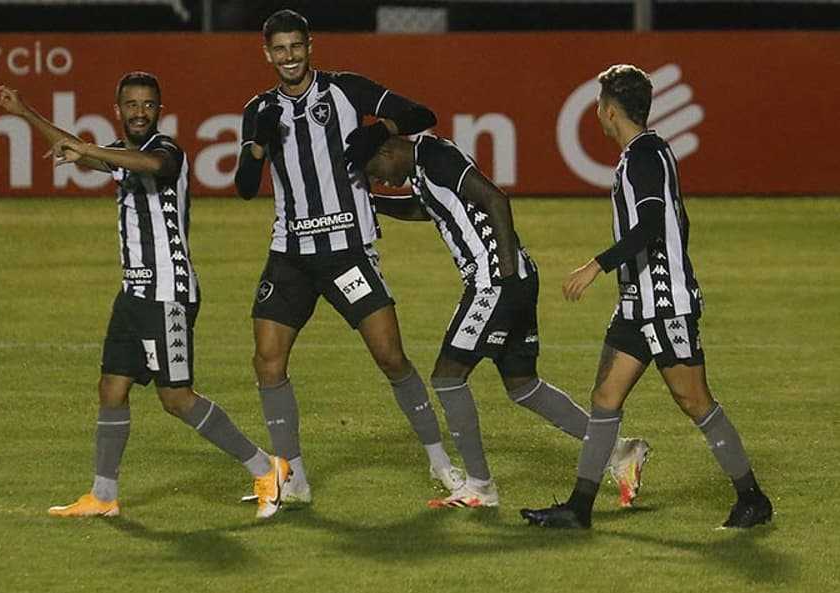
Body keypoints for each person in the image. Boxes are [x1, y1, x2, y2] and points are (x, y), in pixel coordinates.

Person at [0, 72, 290, 520]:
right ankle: (104, 495)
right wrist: (27, 114)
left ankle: (266, 467)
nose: (139, 112)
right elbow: (78, 148)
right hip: (134, 293)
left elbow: (150, 166)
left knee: (177, 398)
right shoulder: (121, 154)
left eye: (147, 105)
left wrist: (89, 150)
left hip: (168, 293)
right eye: (130, 104)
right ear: (118, 109)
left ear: (159, 111)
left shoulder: (165, 151)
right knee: (112, 388)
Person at [520, 64, 773, 529]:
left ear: (609, 111)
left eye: (599, 105)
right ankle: (578, 509)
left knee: (694, 400)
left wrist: (596, 265)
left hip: (662, 304)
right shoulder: (646, 153)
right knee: (605, 397)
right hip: (639, 303)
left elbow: (652, 225)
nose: (597, 112)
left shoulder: (642, 157)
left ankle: (753, 499)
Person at [234, 9, 462, 505]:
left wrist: (379, 129)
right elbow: (245, 188)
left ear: (309, 46)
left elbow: (422, 113)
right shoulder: (259, 108)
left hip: (347, 254)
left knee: (392, 358)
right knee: (268, 363)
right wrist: (259, 144)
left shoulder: (346, 90)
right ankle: (293, 478)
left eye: (296, 46)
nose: (289, 56)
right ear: (266, 53)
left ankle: (441, 462)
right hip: (290, 255)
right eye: (279, 49)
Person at [364, 134, 650, 508]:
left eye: (378, 175)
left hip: (496, 280)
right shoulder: (423, 166)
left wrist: (505, 273)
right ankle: (618, 450)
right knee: (523, 385)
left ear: (387, 151)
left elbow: (496, 198)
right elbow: (432, 209)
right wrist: (375, 203)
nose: (382, 181)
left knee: (448, 377)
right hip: (512, 278)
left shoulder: (435, 158)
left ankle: (480, 486)